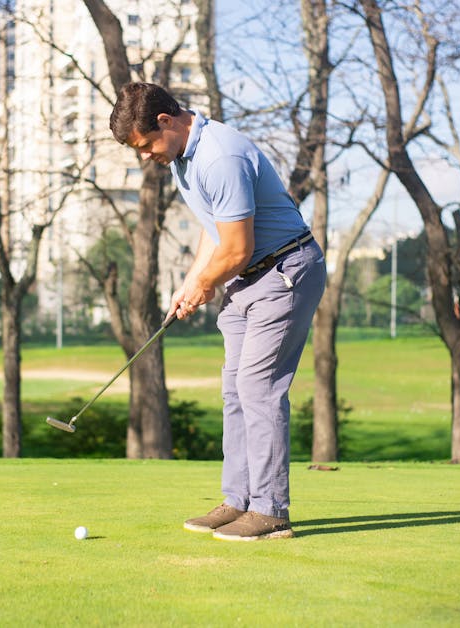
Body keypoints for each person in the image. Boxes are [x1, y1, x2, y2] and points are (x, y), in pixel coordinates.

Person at [109, 82, 325, 541]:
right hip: (249, 278)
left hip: (284, 269)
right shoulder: (183, 157)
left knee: (258, 386)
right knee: (234, 388)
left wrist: (207, 283)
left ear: (166, 122)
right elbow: (216, 229)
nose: (146, 156)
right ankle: (239, 500)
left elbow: (238, 248)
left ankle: (270, 511)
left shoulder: (219, 156)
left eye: (146, 146)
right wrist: (191, 282)